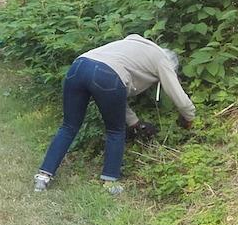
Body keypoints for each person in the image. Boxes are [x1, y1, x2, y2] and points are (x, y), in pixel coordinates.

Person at [33, 35, 195, 194]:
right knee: (115, 131)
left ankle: (43, 177)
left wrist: (134, 122)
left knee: (69, 126)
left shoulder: (132, 45)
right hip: (107, 75)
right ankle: (110, 182)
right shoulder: (162, 60)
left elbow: (116, 95)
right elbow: (179, 98)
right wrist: (189, 117)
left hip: (79, 66)